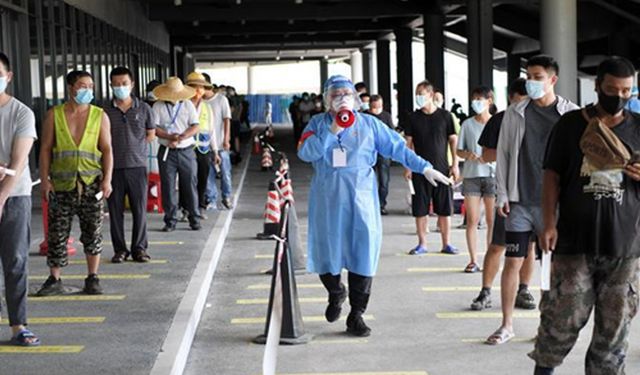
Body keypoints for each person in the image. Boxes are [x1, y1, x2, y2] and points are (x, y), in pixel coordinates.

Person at [298, 75, 451, 337]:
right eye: (335, 94)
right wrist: (332, 130)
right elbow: (306, 152)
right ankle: (336, 292)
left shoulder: (370, 124)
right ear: (327, 100)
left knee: (362, 254)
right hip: (328, 200)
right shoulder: (316, 124)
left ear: (356, 99)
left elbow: (398, 149)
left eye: (347, 93)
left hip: (361, 200)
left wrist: (425, 168)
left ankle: (356, 314)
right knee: (327, 253)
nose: (342, 98)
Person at [530, 57, 640, 375]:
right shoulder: (570, 125)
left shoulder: (638, 127)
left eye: (626, 90)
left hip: (625, 247)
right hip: (573, 242)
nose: (618, 96)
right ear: (597, 86)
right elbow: (551, 175)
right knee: (559, 320)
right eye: (611, 89)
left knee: (614, 334)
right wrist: (548, 223)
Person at [487, 55, 579, 345]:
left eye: (537, 76)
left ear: (552, 80)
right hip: (519, 201)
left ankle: (546, 327)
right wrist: (502, 192)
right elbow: (502, 154)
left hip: (554, 206)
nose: (531, 82)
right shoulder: (515, 112)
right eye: (529, 76)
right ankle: (506, 325)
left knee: (550, 267)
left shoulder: (571, 115)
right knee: (512, 261)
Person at [37, 70, 114, 296]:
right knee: (57, 233)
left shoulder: (100, 115)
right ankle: (54, 278)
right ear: (71, 88)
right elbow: (45, 149)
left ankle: (92, 277)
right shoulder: (55, 115)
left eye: (90, 86)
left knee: (93, 232)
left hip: (91, 183)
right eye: (82, 86)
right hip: (61, 185)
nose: (87, 90)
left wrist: (107, 179)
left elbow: (107, 149)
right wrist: (44, 180)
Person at [470, 78, 536, 311]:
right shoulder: (500, 120)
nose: (525, 105)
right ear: (512, 98)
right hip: (509, 192)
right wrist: (511, 148)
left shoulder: (538, 118)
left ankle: (524, 289)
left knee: (529, 247)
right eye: (522, 99)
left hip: (536, 193)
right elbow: (486, 155)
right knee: (499, 244)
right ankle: (485, 291)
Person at [0, 52, 40, 346]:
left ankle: (18, 325)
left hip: (15, 196)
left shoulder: (22, 112)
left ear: (8, 76)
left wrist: (1, 197)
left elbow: (19, 161)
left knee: (15, 260)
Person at [104, 66, 155, 264]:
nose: (120, 87)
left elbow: (150, 134)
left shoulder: (144, 109)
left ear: (132, 84)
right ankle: (120, 250)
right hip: (113, 169)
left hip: (137, 166)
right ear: (111, 85)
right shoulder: (105, 111)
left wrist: (136, 147)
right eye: (116, 84)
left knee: (139, 210)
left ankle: (139, 249)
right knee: (115, 211)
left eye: (124, 83)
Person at [405, 80, 459, 255]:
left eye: (421, 94)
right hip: (420, 169)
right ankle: (422, 243)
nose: (418, 98)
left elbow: (453, 141)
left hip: (442, 169)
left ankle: (446, 243)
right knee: (420, 208)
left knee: (445, 209)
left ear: (430, 94)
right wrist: (408, 166)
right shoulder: (413, 118)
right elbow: (408, 144)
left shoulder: (445, 116)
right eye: (416, 94)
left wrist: (455, 165)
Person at [152, 77, 201, 232]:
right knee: (168, 186)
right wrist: (169, 137)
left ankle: (194, 218)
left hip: (186, 150)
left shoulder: (187, 105)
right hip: (167, 151)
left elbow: (195, 126)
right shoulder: (158, 106)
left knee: (189, 184)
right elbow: (154, 128)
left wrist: (181, 137)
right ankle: (170, 220)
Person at [456, 86, 496, 273]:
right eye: (475, 99)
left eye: (480, 99)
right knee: (472, 219)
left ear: (490, 101)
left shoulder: (497, 123)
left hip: (492, 175)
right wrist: (467, 155)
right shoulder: (467, 124)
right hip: (472, 175)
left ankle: (490, 258)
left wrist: (490, 157)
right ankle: (473, 260)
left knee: (491, 220)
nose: (476, 103)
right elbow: (458, 150)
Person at [185, 72, 220, 215]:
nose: (198, 90)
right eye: (194, 87)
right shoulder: (183, 105)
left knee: (202, 178)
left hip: (204, 149)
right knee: (187, 179)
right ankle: (186, 208)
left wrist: (216, 151)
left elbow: (212, 132)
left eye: (201, 87)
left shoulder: (207, 107)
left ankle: (199, 207)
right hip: (187, 148)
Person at [204, 78, 233, 210]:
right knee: (208, 173)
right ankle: (211, 199)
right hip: (204, 145)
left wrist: (226, 139)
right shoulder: (199, 101)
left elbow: (227, 120)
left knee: (225, 172)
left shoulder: (221, 100)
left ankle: (226, 196)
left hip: (221, 144)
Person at [366, 95, 394, 215]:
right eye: (374, 107)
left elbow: (391, 133)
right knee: (367, 180)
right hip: (368, 152)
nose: (377, 109)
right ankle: (369, 204)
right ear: (369, 106)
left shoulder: (386, 116)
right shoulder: (364, 116)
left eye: (379, 107)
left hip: (383, 152)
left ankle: (381, 204)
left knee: (384, 181)